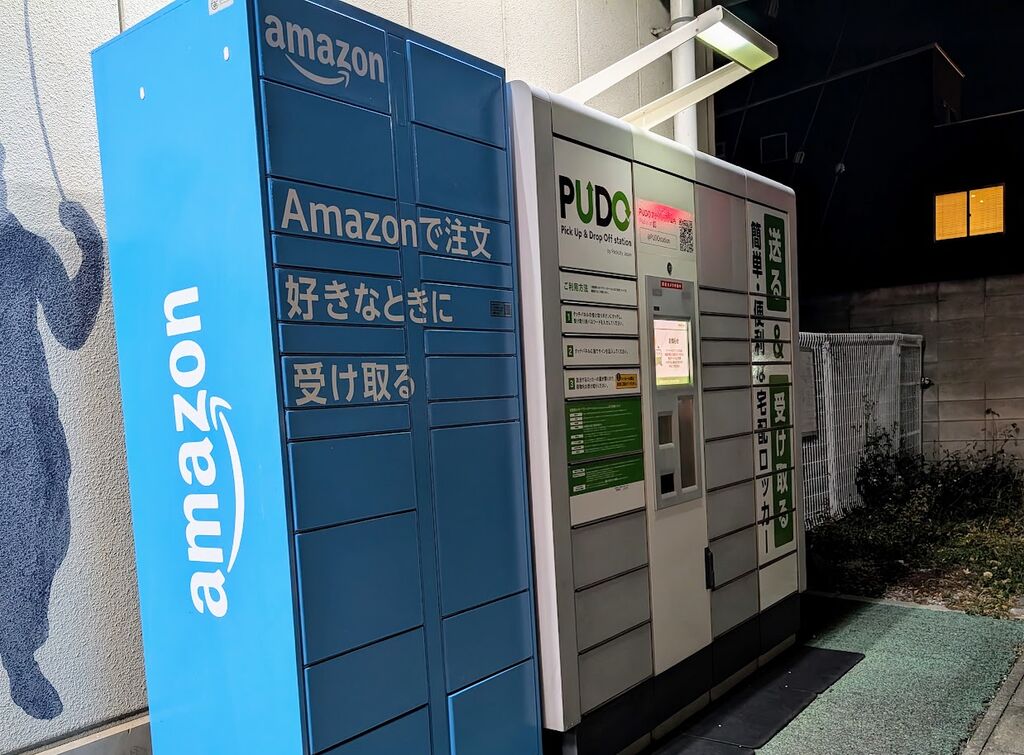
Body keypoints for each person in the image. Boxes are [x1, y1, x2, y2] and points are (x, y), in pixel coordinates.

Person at [0, 142, 104, 720]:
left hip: (34, 428)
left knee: (45, 543)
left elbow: (70, 328)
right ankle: (18, 659)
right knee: (15, 548)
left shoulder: (27, 249)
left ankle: (20, 650)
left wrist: (91, 248)